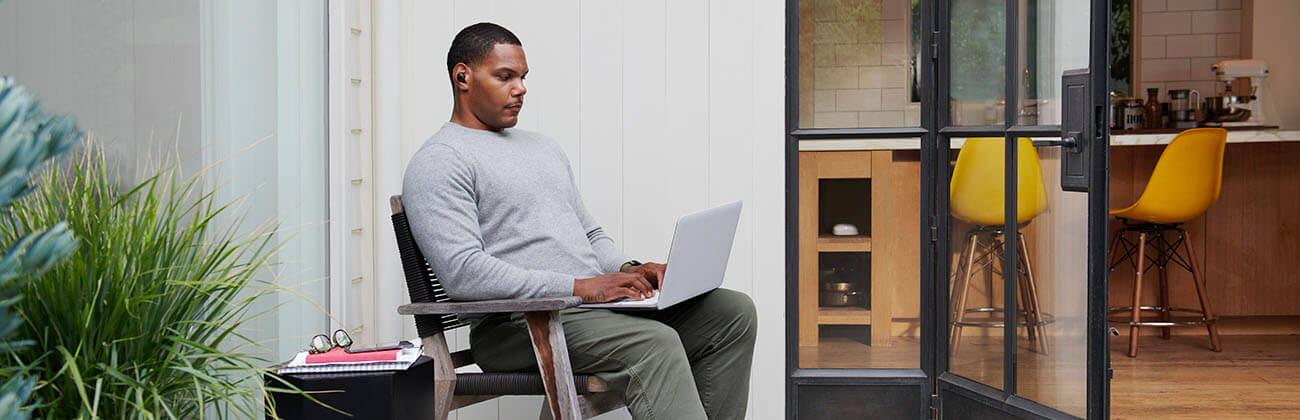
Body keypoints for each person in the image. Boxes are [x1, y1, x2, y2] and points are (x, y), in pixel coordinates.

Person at [401, 22, 757, 420]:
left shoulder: (542, 148)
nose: (520, 88)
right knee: (654, 343)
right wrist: (581, 288)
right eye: (505, 76)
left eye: (522, 77)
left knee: (732, 313)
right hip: (518, 326)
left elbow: (589, 233)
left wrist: (630, 271)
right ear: (462, 76)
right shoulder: (439, 161)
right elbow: (463, 274)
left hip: (586, 314)